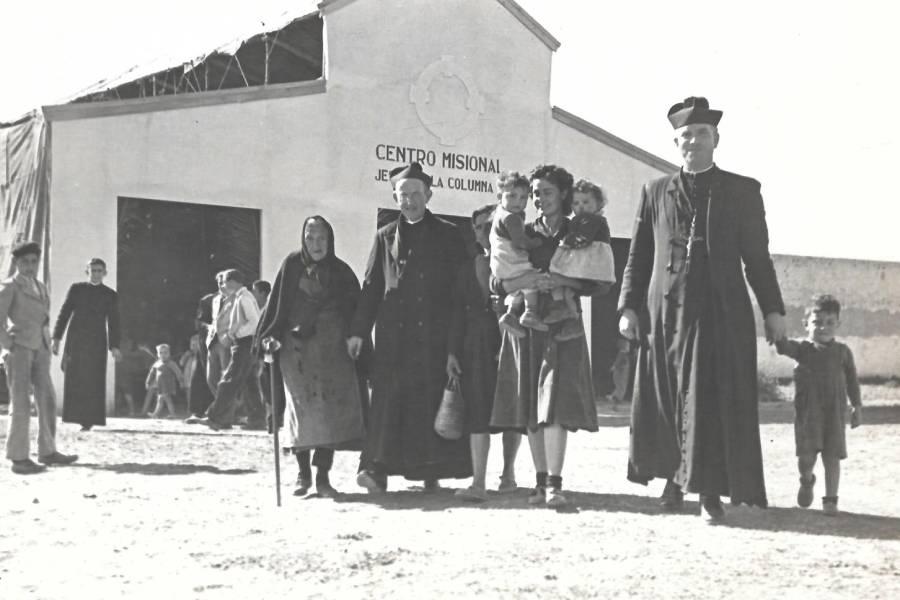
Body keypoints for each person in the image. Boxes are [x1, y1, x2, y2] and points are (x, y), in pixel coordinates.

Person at [618, 97, 786, 522]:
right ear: (676, 142)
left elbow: (758, 259)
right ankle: (675, 480)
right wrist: (628, 307)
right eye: (686, 135)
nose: (693, 141)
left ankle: (708, 492)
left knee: (709, 398)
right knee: (669, 397)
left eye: (701, 134)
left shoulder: (742, 191)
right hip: (664, 314)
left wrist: (773, 310)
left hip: (719, 313)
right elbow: (638, 256)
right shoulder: (654, 191)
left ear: (716, 139)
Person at [490, 165, 610, 508]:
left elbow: (601, 281)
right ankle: (540, 482)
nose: (540, 199)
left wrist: (563, 282)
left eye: (547, 192)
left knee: (554, 403)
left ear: (563, 195)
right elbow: (496, 283)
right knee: (531, 403)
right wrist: (527, 283)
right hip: (527, 324)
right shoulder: (522, 230)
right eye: (537, 192)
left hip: (564, 323)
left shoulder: (580, 230)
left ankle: (555, 483)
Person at [348, 162, 472, 493]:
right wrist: (359, 330)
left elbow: (460, 297)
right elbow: (371, 287)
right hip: (394, 339)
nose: (410, 201)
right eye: (403, 195)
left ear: (428, 195)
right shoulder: (384, 235)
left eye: (416, 194)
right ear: (395, 196)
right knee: (388, 405)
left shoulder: (448, 235)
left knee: (429, 404)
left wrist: (454, 346)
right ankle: (376, 471)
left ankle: (431, 472)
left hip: (433, 338)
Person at [255, 216, 368, 498]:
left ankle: (323, 477)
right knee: (301, 412)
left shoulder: (341, 271)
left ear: (330, 240)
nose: (315, 244)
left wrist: (356, 337)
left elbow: (356, 309)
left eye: (321, 239)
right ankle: (302, 474)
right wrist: (269, 337)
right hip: (296, 353)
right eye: (310, 238)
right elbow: (276, 309)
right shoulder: (291, 266)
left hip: (332, 353)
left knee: (329, 415)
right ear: (303, 239)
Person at [449, 204, 522, 502]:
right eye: (478, 227)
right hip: (475, 347)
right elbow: (455, 312)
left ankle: (508, 474)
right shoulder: (467, 268)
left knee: (511, 411)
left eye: (489, 225)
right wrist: (452, 352)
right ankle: (478, 481)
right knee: (478, 410)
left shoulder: (517, 263)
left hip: (509, 342)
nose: (484, 232)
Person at [775, 294, 862, 516]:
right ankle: (806, 479)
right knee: (806, 458)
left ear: (838, 324)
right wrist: (776, 328)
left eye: (829, 322)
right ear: (806, 325)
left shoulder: (843, 352)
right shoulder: (803, 349)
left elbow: (852, 380)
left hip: (834, 414)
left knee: (832, 456)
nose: (823, 327)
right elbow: (783, 347)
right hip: (808, 415)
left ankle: (831, 500)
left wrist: (857, 407)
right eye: (817, 322)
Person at [0, 241, 77, 474]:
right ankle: (18, 458)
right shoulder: (9, 286)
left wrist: (47, 343)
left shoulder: (40, 286)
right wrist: (8, 344)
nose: (30, 266)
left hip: (40, 348)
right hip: (19, 348)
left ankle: (48, 451)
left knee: (48, 399)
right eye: (25, 262)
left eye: (34, 262)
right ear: (16, 263)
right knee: (21, 402)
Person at [51, 258, 122, 431]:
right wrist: (57, 338)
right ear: (87, 271)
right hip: (76, 339)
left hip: (97, 341)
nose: (96, 273)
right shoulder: (77, 289)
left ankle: (89, 420)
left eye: (99, 270)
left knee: (93, 379)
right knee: (75, 377)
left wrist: (114, 346)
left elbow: (114, 321)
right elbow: (64, 313)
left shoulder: (110, 294)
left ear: (104, 273)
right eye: (93, 270)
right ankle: (72, 416)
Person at [547, 179, 616, 340]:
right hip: (584, 259)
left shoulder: (593, 219)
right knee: (569, 291)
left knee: (559, 277)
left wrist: (567, 242)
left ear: (598, 203)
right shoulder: (582, 219)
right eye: (576, 203)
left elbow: (583, 238)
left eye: (586, 202)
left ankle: (566, 311)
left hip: (590, 260)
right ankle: (571, 315)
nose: (581, 207)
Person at [196, 269, 264, 430]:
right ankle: (258, 419)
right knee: (249, 382)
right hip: (249, 344)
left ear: (234, 282)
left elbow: (254, 323)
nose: (224, 285)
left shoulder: (243, 298)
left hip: (244, 343)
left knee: (229, 380)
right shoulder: (243, 296)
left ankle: (215, 417)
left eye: (226, 281)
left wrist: (235, 333)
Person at [489, 171, 544, 334]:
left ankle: (511, 314)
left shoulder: (499, 214)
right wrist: (534, 243)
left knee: (517, 289)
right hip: (511, 262)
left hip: (500, 267)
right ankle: (531, 312)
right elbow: (520, 242)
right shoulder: (511, 218)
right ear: (500, 196)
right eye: (512, 196)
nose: (518, 202)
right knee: (531, 280)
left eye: (523, 198)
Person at [185, 292, 216, 421]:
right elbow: (201, 323)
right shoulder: (208, 300)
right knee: (203, 373)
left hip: (219, 341)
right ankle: (198, 410)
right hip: (208, 342)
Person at [145, 343, 184, 418]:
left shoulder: (171, 363)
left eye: (165, 353)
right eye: (160, 353)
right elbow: (151, 373)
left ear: (169, 353)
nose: (163, 355)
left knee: (163, 399)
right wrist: (148, 382)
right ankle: (158, 414)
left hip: (167, 385)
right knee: (162, 400)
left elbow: (178, 372)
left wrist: (181, 381)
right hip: (160, 385)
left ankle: (167, 414)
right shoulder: (157, 364)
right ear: (158, 354)